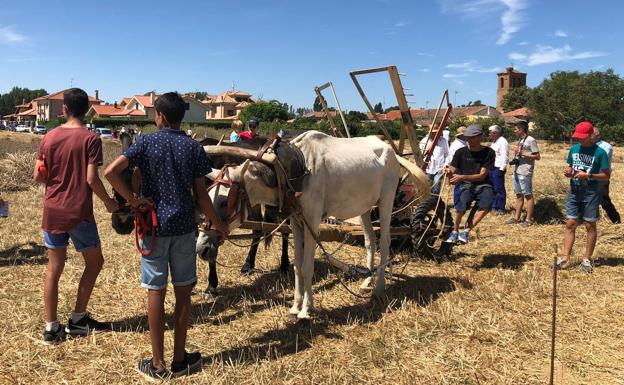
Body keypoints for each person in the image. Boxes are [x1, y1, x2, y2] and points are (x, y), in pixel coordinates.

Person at [105, 92, 228, 380]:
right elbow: (201, 195)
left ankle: (157, 365)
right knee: (184, 292)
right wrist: (217, 224)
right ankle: (180, 359)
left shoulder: (146, 142)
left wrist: (133, 201)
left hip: (153, 228)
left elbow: (111, 172)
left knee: (155, 292)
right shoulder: (193, 147)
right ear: (181, 116)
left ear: (159, 116)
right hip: (185, 228)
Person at [32, 88, 119, 345]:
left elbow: (39, 176)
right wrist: (109, 202)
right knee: (94, 263)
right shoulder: (91, 139)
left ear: (65, 109)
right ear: (87, 110)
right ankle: (78, 319)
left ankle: (51, 328)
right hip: (79, 211)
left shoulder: (48, 137)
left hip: (53, 210)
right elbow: (91, 179)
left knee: (53, 268)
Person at [557, 121, 610, 273]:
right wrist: (569, 171)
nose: (578, 139)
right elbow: (570, 167)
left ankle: (587, 259)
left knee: (589, 225)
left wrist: (589, 175)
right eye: (577, 136)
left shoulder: (600, 152)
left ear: (590, 135)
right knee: (570, 224)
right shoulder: (574, 149)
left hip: (590, 192)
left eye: (582, 137)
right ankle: (565, 257)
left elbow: (606, 175)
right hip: (574, 190)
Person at [443, 124, 495, 244]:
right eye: (468, 137)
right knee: (461, 207)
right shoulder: (460, 152)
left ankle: (466, 230)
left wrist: (461, 176)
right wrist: (448, 171)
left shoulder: (489, 152)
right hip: (465, 184)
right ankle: (455, 231)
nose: (469, 140)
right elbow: (453, 169)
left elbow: (482, 175)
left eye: (472, 137)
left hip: (483, 184)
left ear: (480, 137)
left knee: (487, 204)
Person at [506, 120, 540, 227]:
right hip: (517, 170)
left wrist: (521, 153)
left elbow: (537, 156)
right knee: (519, 195)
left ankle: (528, 220)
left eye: (516, 129)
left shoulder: (531, 140)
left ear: (521, 129)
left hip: (525, 172)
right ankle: (516, 218)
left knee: (528, 195)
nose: (514, 131)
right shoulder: (520, 140)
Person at [592, 127, 620, 223]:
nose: (589, 135)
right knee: (589, 199)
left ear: (598, 136)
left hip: (601, 177)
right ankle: (591, 221)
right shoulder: (588, 145)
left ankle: (616, 221)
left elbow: (598, 162)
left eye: (591, 134)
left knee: (604, 200)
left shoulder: (606, 146)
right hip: (588, 175)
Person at [419, 129, 449, 194]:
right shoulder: (424, 141)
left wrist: (445, 165)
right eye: (433, 133)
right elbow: (419, 156)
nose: (435, 134)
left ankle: (435, 200)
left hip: (440, 168)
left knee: (437, 185)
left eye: (436, 132)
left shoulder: (443, 141)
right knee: (427, 186)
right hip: (428, 168)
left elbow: (447, 154)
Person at [488, 125, 509, 214]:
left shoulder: (503, 142)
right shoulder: (494, 142)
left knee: (499, 188)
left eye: (490, 132)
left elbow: (505, 156)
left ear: (495, 133)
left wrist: (502, 168)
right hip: (492, 168)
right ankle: (493, 206)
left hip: (498, 168)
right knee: (492, 188)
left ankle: (500, 208)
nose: (489, 134)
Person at [445, 126, 467, 207]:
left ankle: (459, 203)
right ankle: (458, 204)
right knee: (459, 186)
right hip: (459, 168)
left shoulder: (459, 143)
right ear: (462, 135)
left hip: (457, 167)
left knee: (460, 186)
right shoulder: (459, 145)